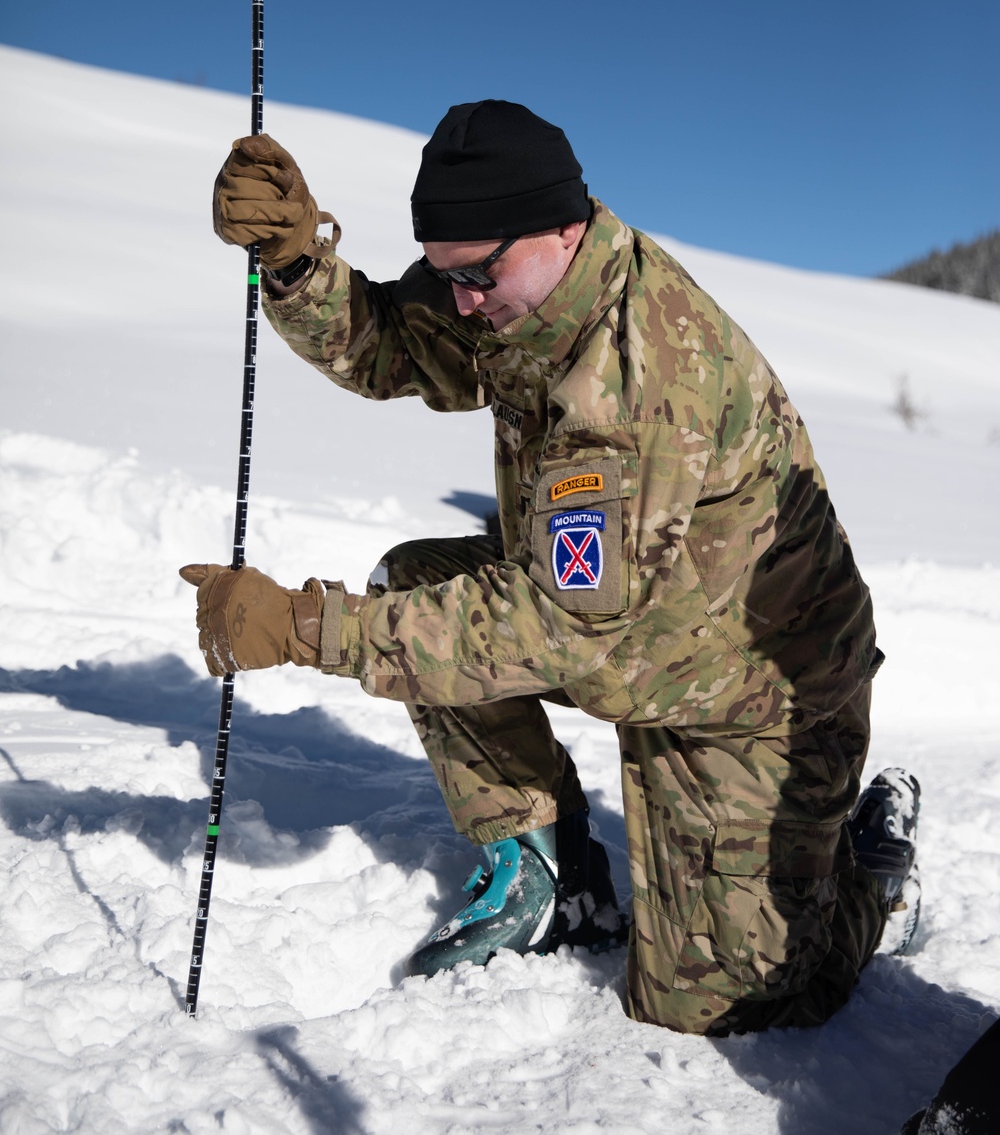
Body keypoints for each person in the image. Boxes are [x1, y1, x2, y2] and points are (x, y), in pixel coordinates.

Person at [182, 98, 920, 1033]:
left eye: (478, 277)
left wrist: (304, 627)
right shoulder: (512, 283)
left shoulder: (640, 375)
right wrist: (293, 263)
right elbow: (387, 346)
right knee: (420, 581)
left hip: (755, 682)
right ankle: (550, 874)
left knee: (727, 1008)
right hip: (637, 619)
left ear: (564, 227)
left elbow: (556, 627)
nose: (463, 303)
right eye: (447, 278)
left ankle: (871, 870)